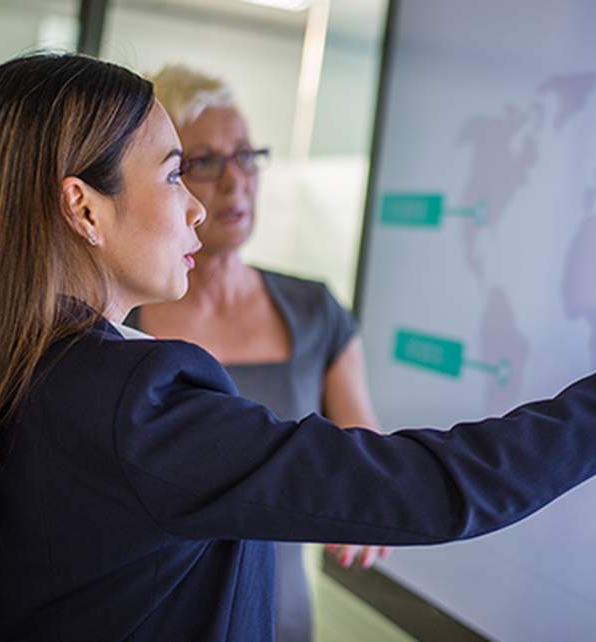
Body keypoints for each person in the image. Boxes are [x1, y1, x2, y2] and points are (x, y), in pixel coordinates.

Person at [0, 53, 596, 642]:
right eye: (176, 173)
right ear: (83, 207)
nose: (203, 204)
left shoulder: (7, 369)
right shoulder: (135, 396)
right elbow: (435, 488)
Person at [124, 63, 385, 642]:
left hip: (281, 620)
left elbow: (365, 453)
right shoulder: (122, 317)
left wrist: (371, 505)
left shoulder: (316, 311)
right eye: (205, 162)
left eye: (246, 155)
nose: (235, 180)